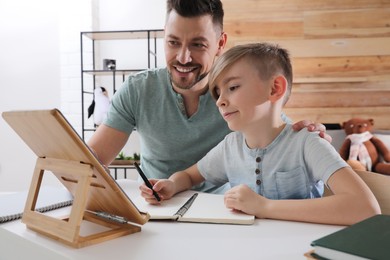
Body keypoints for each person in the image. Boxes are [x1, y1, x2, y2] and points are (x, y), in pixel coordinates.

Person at [87, 0, 329, 194]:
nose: (183, 58)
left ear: (220, 43)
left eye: (197, 45)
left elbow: (276, 128)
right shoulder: (138, 89)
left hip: (222, 210)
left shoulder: (238, 91)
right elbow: (91, 161)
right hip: (159, 206)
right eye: (173, 42)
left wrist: (306, 135)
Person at [140, 43, 380, 225]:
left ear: (275, 88)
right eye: (217, 93)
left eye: (232, 87)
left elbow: (366, 208)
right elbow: (190, 176)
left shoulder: (307, 142)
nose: (221, 101)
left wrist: (263, 206)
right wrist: (171, 184)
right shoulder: (230, 147)